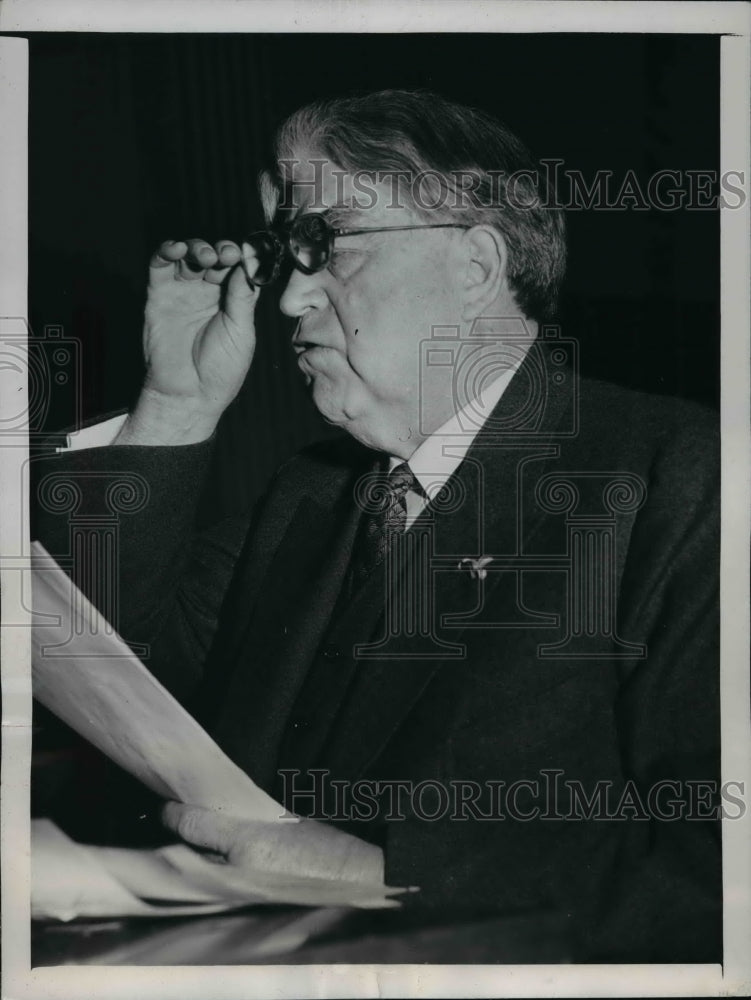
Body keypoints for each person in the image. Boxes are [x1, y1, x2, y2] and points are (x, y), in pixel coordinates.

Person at [31, 90, 720, 962]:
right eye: (287, 253)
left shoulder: (681, 479)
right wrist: (174, 407)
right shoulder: (310, 494)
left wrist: (388, 874)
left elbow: (717, 873)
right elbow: (96, 674)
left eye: (327, 243)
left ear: (473, 265)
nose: (286, 300)